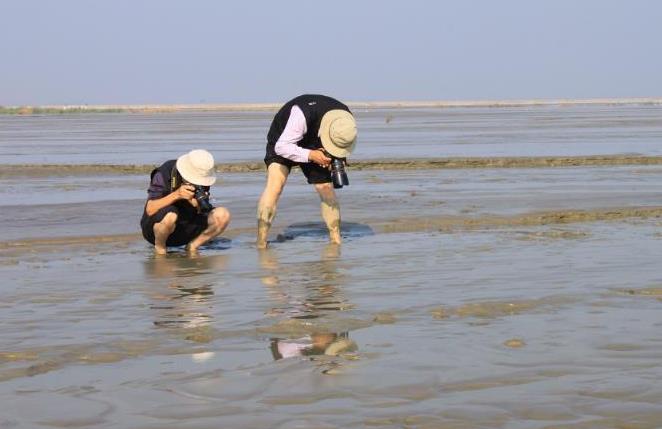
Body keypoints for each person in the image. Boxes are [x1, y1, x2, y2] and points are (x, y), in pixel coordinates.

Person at [256, 94, 357, 248]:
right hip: (283, 139)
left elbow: (343, 144)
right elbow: (281, 147)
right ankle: (261, 241)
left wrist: (339, 157)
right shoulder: (301, 115)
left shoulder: (346, 123)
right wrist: (310, 155)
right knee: (275, 186)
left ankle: (336, 241)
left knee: (326, 188)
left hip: (316, 140)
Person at [140, 149, 231, 254]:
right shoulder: (164, 173)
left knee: (223, 215)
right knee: (170, 216)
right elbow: (150, 209)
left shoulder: (203, 179)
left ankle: (193, 246)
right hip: (157, 230)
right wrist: (177, 195)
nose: (197, 182)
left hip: (187, 227)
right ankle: (160, 249)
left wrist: (197, 205)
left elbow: (204, 209)